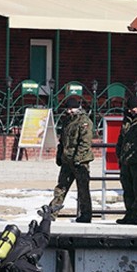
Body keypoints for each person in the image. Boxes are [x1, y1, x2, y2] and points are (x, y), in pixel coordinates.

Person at [47, 95, 93, 223]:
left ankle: (86, 214)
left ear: (78, 108)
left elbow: (85, 142)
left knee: (83, 189)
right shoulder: (67, 121)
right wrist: (59, 156)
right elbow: (62, 141)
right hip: (67, 160)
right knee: (61, 187)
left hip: (80, 161)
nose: (69, 111)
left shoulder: (84, 122)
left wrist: (78, 158)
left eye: (72, 109)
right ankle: (52, 212)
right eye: (68, 109)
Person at [116, 95, 137, 225]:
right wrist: (119, 155)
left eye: (135, 108)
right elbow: (121, 138)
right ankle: (129, 214)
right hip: (126, 160)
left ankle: (136, 216)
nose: (132, 110)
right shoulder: (127, 120)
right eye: (130, 108)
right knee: (127, 189)